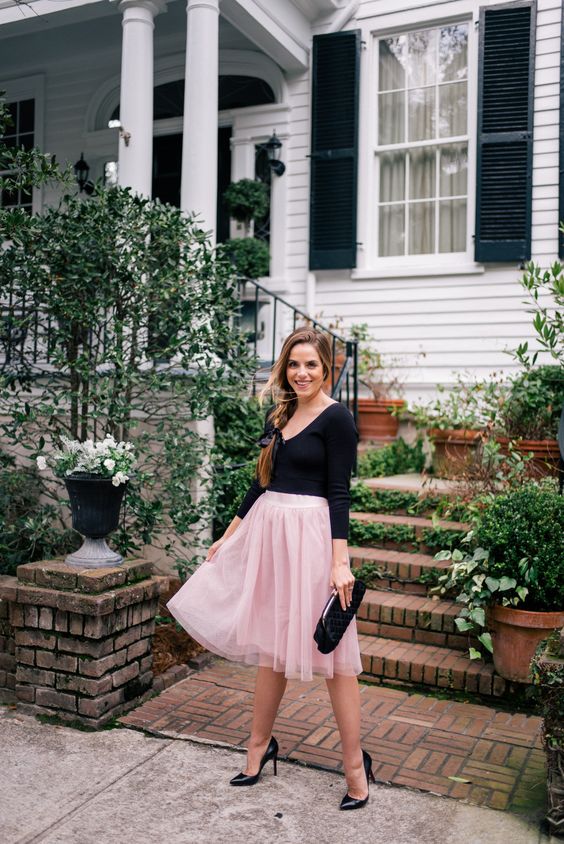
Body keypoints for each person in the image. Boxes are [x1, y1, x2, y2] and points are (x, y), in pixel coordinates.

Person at [167, 327, 375, 810]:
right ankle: (258, 748)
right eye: (294, 365)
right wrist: (230, 533)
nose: (301, 373)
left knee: (334, 657)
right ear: (285, 368)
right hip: (270, 536)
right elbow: (262, 481)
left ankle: (354, 767)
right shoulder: (281, 413)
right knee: (272, 649)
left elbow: (340, 493)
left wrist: (340, 563)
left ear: (327, 369)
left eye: (312, 365)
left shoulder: (337, 418)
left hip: (312, 540)